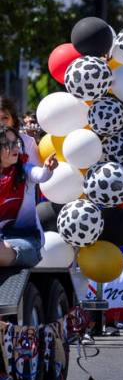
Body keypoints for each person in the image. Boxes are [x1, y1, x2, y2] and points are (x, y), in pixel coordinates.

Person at [0, 126, 56, 269]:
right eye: (9, 144)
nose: (16, 148)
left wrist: (47, 169)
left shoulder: (25, 170)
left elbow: (41, 175)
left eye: (16, 143)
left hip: (26, 239)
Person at [0, 97, 40, 166]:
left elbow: (34, 174)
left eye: (5, 118)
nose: (1, 123)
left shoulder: (27, 142)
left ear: (14, 120)